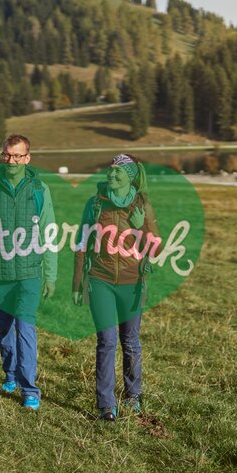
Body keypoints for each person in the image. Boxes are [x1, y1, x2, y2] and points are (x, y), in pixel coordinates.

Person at [0, 134, 57, 411]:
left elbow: (49, 232)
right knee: (4, 328)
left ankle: (30, 390)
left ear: (28, 158)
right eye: (7, 155)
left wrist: (51, 274)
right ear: (2, 156)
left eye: (18, 156)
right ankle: (10, 374)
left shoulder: (40, 189)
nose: (12, 160)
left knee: (25, 327)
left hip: (30, 272)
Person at [72, 154, 161, 421]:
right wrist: (77, 283)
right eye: (111, 170)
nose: (112, 175)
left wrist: (140, 227)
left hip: (133, 284)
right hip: (100, 281)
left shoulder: (142, 204)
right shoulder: (96, 203)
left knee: (131, 342)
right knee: (107, 341)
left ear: (131, 176)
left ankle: (133, 396)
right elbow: (81, 244)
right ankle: (106, 405)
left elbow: (156, 247)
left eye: (119, 171)